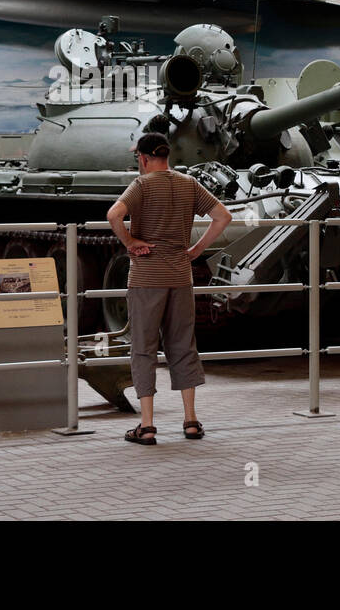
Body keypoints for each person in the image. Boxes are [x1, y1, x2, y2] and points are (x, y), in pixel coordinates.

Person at [106, 132, 232, 445]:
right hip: (180, 275)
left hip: (147, 278)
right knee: (183, 345)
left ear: (143, 158)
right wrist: (196, 249)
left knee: (144, 348)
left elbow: (114, 215)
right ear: (167, 155)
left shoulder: (141, 185)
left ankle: (146, 426)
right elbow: (222, 216)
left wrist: (131, 242)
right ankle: (190, 421)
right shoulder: (188, 183)